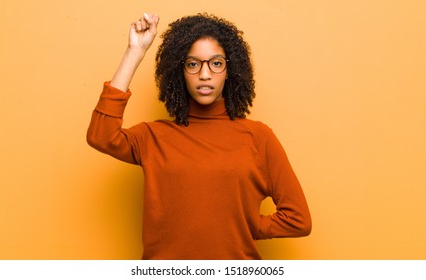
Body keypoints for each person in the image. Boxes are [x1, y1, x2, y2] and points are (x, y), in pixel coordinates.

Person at [87, 12, 311, 260]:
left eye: (216, 63)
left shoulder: (258, 137)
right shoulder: (154, 136)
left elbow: (298, 219)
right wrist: (134, 52)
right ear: (180, 71)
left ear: (229, 70)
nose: (205, 74)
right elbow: (100, 135)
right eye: (193, 64)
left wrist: (245, 227)